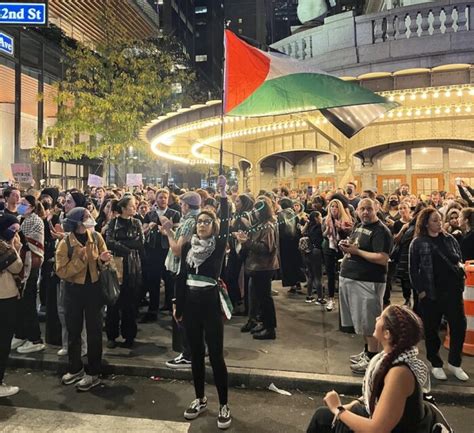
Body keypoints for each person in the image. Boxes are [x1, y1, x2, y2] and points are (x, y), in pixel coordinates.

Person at [307, 305, 438, 433]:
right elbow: (374, 398)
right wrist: (352, 406)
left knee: (323, 420)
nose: (376, 319)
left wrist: (338, 409)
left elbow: (377, 429)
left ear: (387, 334)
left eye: (381, 317)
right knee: (322, 417)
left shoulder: (399, 374)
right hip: (379, 420)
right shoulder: (389, 358)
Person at [173, 175, 231, 430]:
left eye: (207, 222)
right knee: (196, 354)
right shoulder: (188, 249)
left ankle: (224, 404)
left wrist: (223, 195)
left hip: (209, 304)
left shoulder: (218, 246)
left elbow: (227, 222)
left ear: (214, 226)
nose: (202, 225)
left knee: (216, 356)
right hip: (191, 304)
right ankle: (200, 398)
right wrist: (177, 304)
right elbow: (181, 277)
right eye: (199, 222)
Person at [409, 207, 469, 381]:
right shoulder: (418, 242)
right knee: (431, 330)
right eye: (435, 220)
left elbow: (458, 259)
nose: (439, 223)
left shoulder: (449, 239)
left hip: (452, 291)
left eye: (439, 220)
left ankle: (455, 362)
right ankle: (435, 363)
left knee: (458, 326)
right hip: (430, 293)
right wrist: (420, 291)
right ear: (426, 222)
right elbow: (413, 269)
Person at [56, 207, 112, 391]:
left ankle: (93, 372)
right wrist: (80, 260)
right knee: (74, 332)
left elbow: (105, 260)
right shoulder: (65, 243)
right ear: (78, 222)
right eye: (87, 216)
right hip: (73, 291)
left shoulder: (95, 237)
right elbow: (62, 271)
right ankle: (75, 368)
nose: (91, 218)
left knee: (95, 332)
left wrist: (103, 260)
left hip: (94, 291)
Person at [339, 198, 393, 375]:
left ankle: (372, 359)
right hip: (353, 279)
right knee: (361, 321)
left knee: (369, 323)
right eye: (362, 209)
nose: (365, 212)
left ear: (376, 209)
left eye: (369, 209)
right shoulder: (360, 226)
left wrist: (356, 252)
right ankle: (367, 352)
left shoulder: (380, 231)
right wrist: (347, 248)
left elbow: (382, 258)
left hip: (368, 281)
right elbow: (357, 246)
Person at [162, 191, 201, 369]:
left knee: (182, 312)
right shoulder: (196, 219)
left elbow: (178, 249)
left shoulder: (190, 222)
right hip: (190, 270)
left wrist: (169, 232)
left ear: (186, 205)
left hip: (182, 270)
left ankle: (188, 354)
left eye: (182, 204)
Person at [236, 196, 279, 340]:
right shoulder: (260, 225)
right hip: (257, 266)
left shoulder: (268, 226)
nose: (254, 212)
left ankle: (269, 328)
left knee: (265, 298)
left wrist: (247, 242)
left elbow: (266, 248)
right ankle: (262, 323)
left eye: (257, 210)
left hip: (264, 267)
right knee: (258, 297)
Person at [105, 196, 144, 349]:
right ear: (123, 208)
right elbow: (109, 241)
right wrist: (127, 248)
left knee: (130, 303)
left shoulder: (137, 223)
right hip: (116, 264)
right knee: (113, 301)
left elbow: (140, 243)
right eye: (132, 206)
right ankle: (111, 335)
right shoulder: (113, 223)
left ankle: (129, 336)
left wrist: (121, 244)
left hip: (133, 265)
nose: (135, 208)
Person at [11, 196, 46, 354]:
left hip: (31, 265)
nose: (20, 206)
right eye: (20, 203)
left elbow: (33, 244)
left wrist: (18, 240)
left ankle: (35, 339)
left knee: (29, 301)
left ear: (32, 207)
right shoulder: (20, 218)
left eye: (24, 204)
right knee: (19, 302)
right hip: (18, 265)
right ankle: (21, 333)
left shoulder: (35, 221)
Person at [141, 189, 180, 321]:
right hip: (152, 250)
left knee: (169, 279)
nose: (163, 200)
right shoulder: (150, 214)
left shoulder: (174, 214)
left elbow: (177, 231)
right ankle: (153, 310)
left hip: (167, 250)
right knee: (153, 280)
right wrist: (149, 228)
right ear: (156, 199)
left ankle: (170, 306)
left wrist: (167, 231)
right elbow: (143, 231)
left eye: (165, 197)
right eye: (160, 197)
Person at [0, 214, 23, 398]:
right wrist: (16, 248)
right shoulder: (4, 248)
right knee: (3, 340)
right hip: (4, 297)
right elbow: (17, 267)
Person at [322, 199, 353, 311]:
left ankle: (345, 300)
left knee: (343, 275)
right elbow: (324, 235)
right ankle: (330, 299)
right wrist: (328, 230)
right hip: (329, 248)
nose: (333, 209)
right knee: (330, 275)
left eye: (335, 207)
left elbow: (350, 234)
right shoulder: (326, 219)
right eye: (331, 206)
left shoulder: (346, 219)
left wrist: (340, 229)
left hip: (342, 249)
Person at [278, 198, 305, 293]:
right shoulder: (294, 214)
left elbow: (280, 229)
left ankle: (292, 285)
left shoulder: (280, 215)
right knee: (295, 262)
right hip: (295, 242)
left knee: (288, 264)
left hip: (284, 243)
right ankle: (298, 282)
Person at [300, 211, 324, 304]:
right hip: (316, 252)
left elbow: (302, 232)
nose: (321, 218)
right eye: (320, 216)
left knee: (310, 276)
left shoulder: (309, 227)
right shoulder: (319, 227)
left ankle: (309, 296)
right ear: (316, 218)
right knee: (318, 276)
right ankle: (320, 298)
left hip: (308, 252)